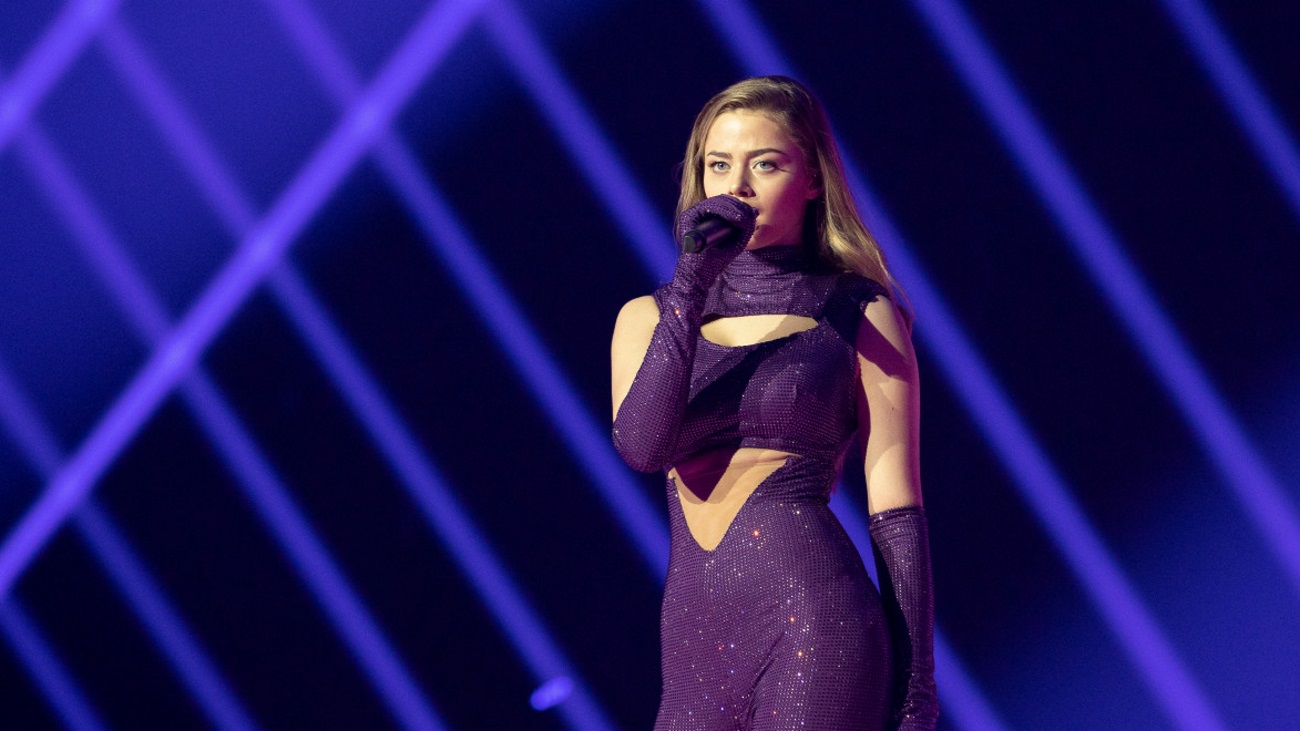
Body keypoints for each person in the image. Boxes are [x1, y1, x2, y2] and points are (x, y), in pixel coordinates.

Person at [610, 75, 937, 730]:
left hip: (816, 619)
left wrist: (916, 689)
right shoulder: (648, 316)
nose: (737, 186)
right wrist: (692, 283)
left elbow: (895, 507)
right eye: (718, 165)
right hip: (694, 649)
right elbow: (644, 448)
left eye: (765, 164)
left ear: (812, 179)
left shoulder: (860, 311)